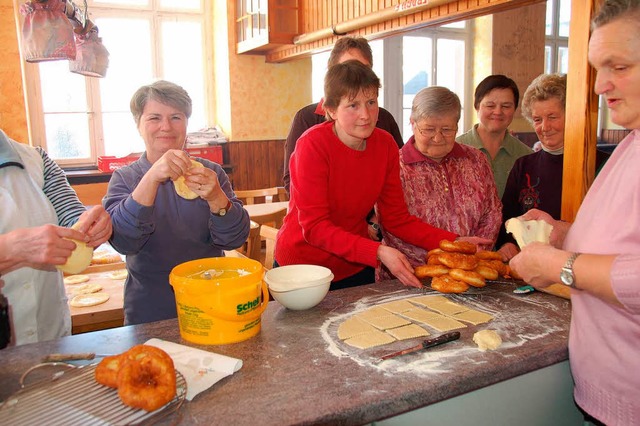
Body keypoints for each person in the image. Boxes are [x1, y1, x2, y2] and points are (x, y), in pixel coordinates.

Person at [509, 1, 640, 424]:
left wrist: (557, 264)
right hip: (608, 392)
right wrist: (562, 232)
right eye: (596, 69)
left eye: (617, 66)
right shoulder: (629, 146)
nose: (600, 86)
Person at [275, 61, 487, 290]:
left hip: (355, 265)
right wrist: (377, 251)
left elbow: (396, 218)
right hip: (303, 269)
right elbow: (315, 228)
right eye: (353, 105)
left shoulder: (385, 144)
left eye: (371, 102)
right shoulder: (312, 145)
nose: (366, 114)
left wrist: (453, 242)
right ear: (332, 109)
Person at [103, 80, 250, 325]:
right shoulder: (125, 178)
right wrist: (151, 178)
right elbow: (123, 241)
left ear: (186, 124)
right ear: (138, 125)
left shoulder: (211, 173)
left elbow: (234, 239)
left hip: (211, 302)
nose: (166, 127)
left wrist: (216, 197)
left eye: (176, 117)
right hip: (150, 310)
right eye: (154, 118)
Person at [282, 36, 403, 242]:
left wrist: (374, 220)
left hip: (363, 240)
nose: (364, 115)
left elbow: (395, 196)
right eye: (348, 67)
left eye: (363, 69)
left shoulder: (383, 128)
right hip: (316, 244)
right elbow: (293, 186)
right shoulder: (309, 128)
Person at [0, 129, 112, 346]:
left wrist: (90, 228)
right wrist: (10, 250)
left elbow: (72, 221)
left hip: (49, 335)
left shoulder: (36, 160)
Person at [378, 87, 502, 280]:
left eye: (446, 130)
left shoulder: (476, 160)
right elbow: (392, 226)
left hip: (471, 270)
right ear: (412, 123)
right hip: (410, 275)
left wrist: (469, 255)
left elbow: (492, 212)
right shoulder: (395, 165)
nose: (437, 138)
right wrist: (442, 263)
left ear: (457, 126)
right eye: (428, 129)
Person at [497, 74, 609, 260]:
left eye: (552, 117)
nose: (545, 127)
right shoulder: (523, 166)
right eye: (537, 119)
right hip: (531, 271)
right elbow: (506, 221)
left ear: (572, 115)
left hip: (587, 268)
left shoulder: (605, 166)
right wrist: (508, 244)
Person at [456, 74, 532, 198]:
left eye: (506, 106)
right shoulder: (455, 149)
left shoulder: (526, 156)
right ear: (477, 106)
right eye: (490, 106)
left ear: (514, 109)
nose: (498, 112)